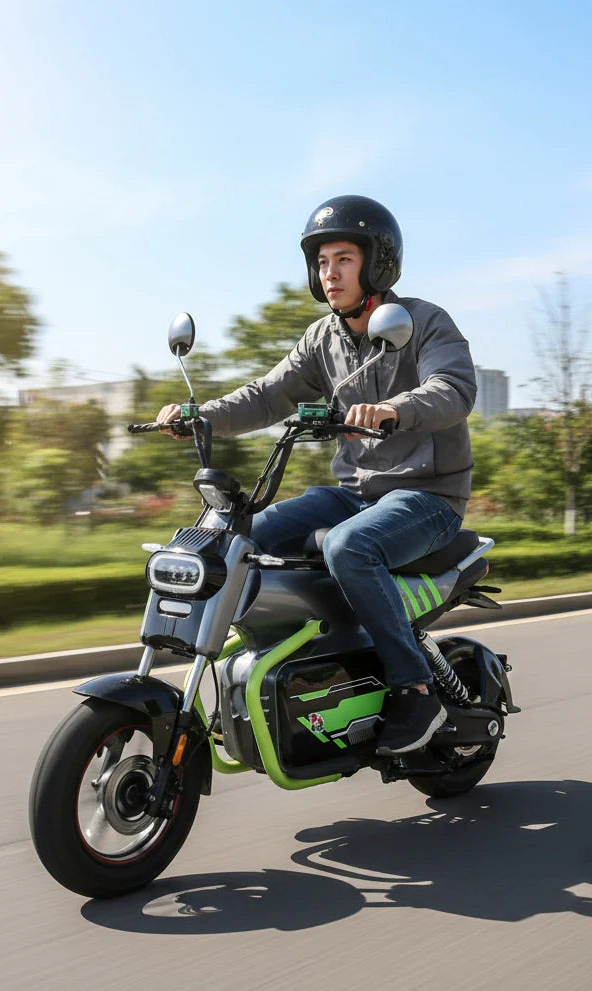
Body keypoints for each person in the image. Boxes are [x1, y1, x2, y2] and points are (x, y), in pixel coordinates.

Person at [156, 195, 477, 755]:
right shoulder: (322, 338)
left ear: (378, 262)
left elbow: (452, 389)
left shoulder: (423, 322)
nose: (331, 273)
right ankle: (286, 669)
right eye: (323, 261)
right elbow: (267, 396)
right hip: (354, 492)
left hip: (426, 496)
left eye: (344, 259)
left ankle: (415, 688)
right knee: (238, 537)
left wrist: (394, 409)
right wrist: (200, 415)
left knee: (349, 547)